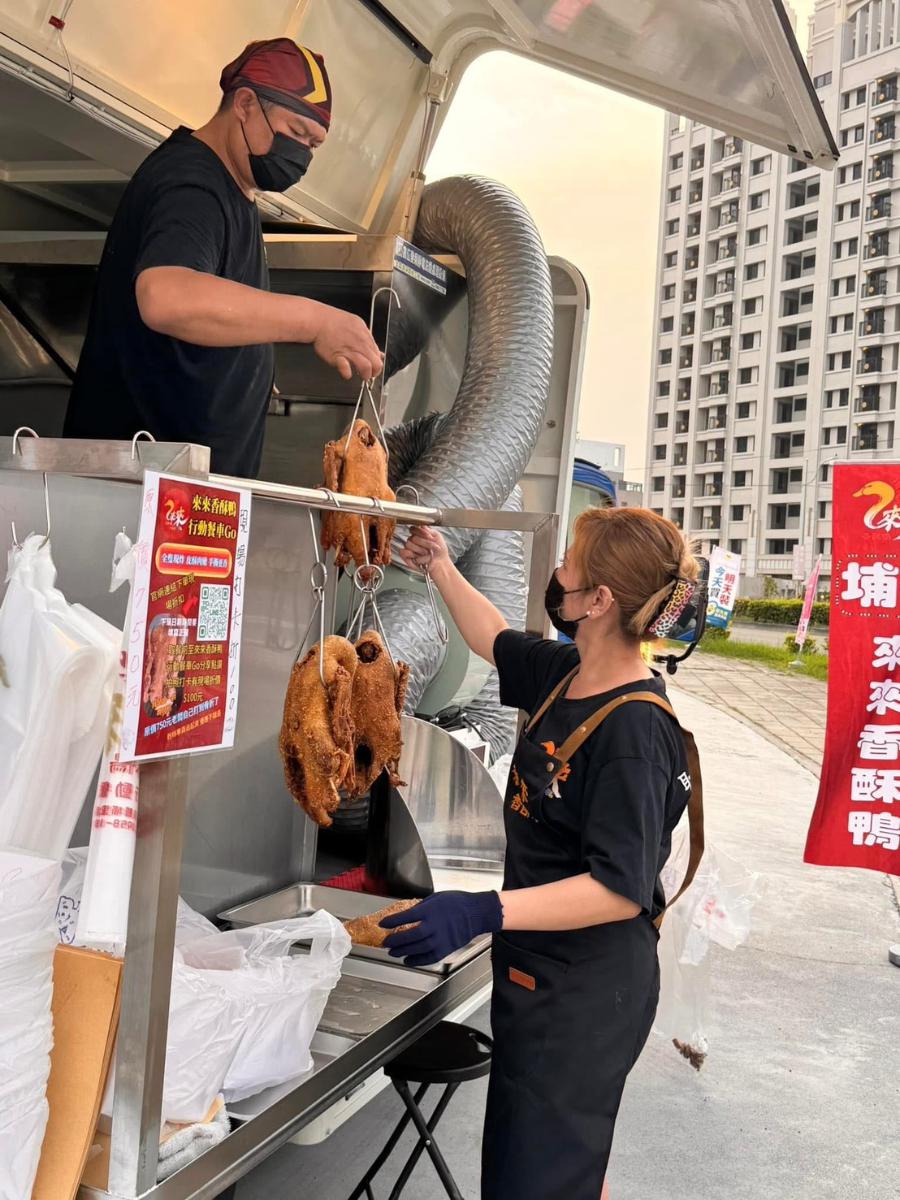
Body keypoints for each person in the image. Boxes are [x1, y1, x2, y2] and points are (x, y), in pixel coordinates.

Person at [385, 506, 703, 1200]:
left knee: (538, 1179)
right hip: (540, 980)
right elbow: (493, 638)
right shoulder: (569, 674)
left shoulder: (633, 733)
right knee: (549, 1170)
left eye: (568, 565)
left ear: (599, 600)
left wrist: (482, 911)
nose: (555, 574)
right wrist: (438, 565)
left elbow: (618, 888)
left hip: (586, 995)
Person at [64, 38, 382, 476]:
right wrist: (316, 321)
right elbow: (166, 297)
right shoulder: (193, 185)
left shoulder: (237, 193)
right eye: (296, 133)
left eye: (314, 145)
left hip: (190, 504)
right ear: (246, 104)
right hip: (138, 500)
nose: (302, 156)